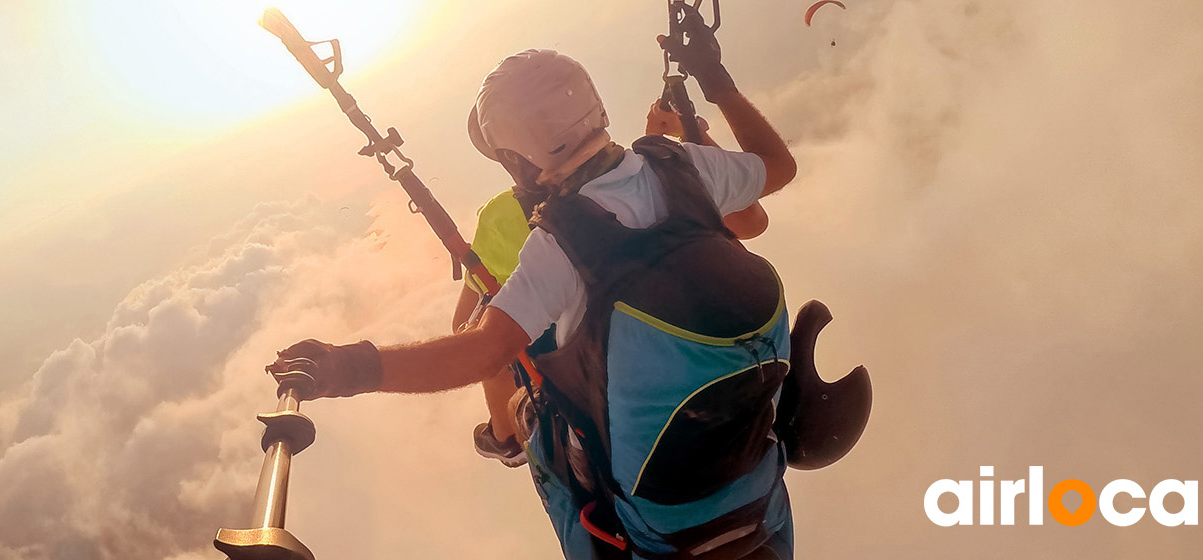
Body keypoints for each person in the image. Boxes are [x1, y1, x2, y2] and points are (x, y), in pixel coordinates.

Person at [267, 7, 817, 558]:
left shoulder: (558, 244)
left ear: (517, 159)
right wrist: (717, 82)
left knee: (542, 430)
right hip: (756, 486)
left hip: (661, 523)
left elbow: (482, 353)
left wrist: (349, 366)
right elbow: (778, 167)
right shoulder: (686, 167)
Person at [465, 102, 772, 468]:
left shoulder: (503, 219)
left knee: (490, 347)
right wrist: (683, 135)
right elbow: (750, 222)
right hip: (713, 335)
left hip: (600, 378)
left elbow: (470, 331)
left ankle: (506, 439)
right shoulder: (652, 175)